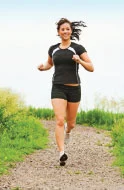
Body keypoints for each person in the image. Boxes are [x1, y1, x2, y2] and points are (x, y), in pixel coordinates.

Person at [37, 18, 94, 166]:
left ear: (71, 31)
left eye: (67, 29)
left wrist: (79, 61)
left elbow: (91, 67)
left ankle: (68, 132)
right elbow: (49, 64)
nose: (65, 31)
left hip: (74, 88)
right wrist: (42, 67)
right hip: (58, 87)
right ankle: (61, 152)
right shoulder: (53, 49)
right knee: (60, 120)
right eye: (62, 29)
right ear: (58, 32)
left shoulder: (78, 48)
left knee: (71, 123)